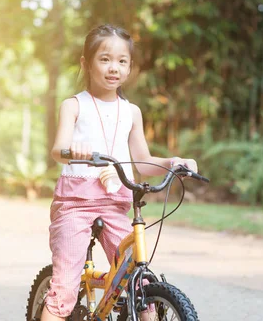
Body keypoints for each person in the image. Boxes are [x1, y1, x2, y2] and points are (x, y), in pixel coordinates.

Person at [41, 24, 198, 320]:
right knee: (64, 289)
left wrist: (173, 161)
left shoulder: (131, 112)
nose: (114, 68)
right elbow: (57, 149)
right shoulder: (74, 106)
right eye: (104, 59)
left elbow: (142, 161)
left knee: (141, 283)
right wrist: (72, 150)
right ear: (86, 64)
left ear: (129, 68)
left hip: (116, 203)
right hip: (76, 203)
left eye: (122, 61)